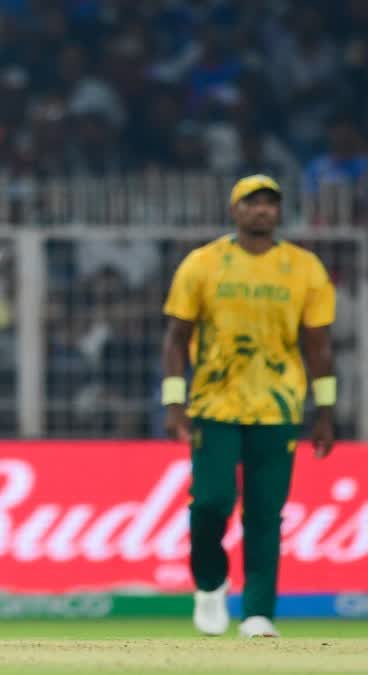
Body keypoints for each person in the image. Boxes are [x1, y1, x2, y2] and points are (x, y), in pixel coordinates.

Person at [160, 174, 337, 638]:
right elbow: (176, 338)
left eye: (269, 203)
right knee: (211, 502)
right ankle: (210, 584)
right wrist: (174, 402)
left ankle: (258, 613)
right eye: (251, 202)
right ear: (234, 210)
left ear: (279, 212)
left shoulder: (304, 268)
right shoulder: (203, 264)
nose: (261, 210)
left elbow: (319, 346)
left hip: (278, 406)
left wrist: (325, 412)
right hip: (215, 403)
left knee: (264, 513)